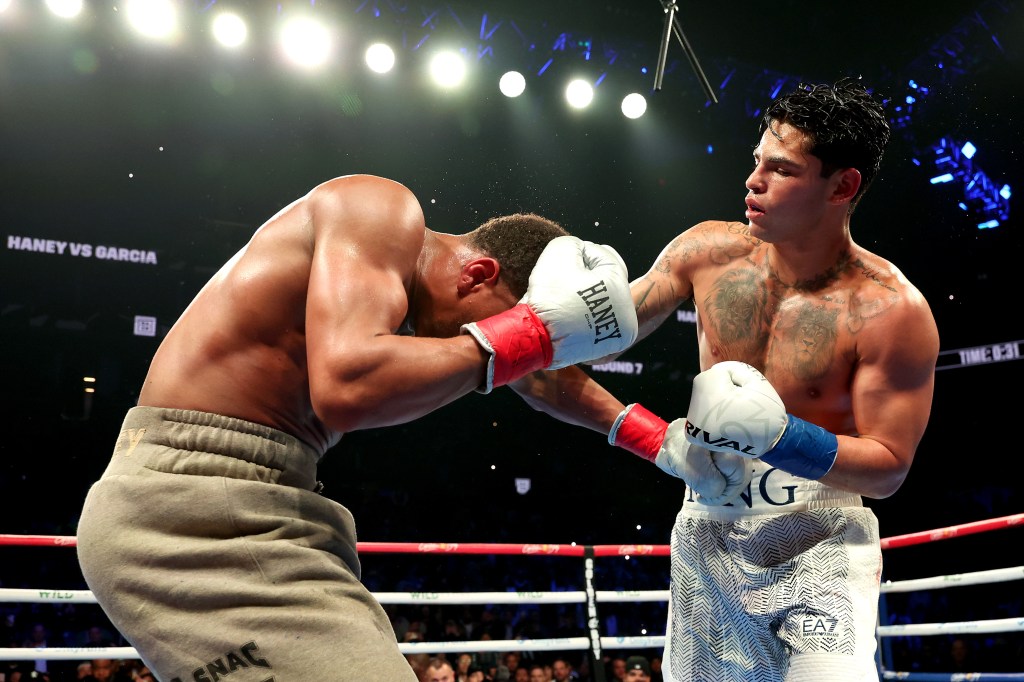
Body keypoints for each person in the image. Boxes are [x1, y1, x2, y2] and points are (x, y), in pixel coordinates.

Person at [75, 174, 638, 681]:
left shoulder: (397, 292)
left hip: (255, 500)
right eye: (501, 324)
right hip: (193, 506)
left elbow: (535, 376)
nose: (492, 348)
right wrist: (528, 335)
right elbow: (346, 387)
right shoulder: (381, 208)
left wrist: (662, 442)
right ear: (477, 273)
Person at [513, 78, 940, 681]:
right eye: (756, 161)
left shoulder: (891, 310)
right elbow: (546, 367)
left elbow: (890, 467)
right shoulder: (706, 253)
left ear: (842, 186)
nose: (753, 181)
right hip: (707, 532)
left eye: (782, 170)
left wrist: (779, 437)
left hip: (820, 537)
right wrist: (538, 324)